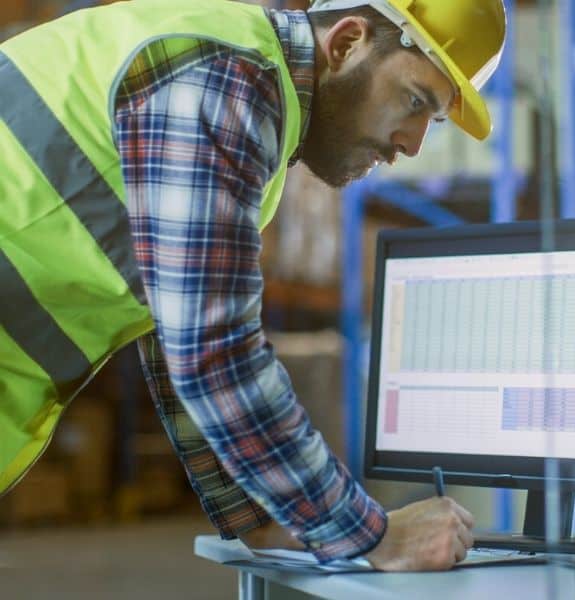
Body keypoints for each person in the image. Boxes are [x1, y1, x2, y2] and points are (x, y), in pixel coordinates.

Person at [0, 0, 505, 571]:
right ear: (345, 43)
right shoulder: (222, 78)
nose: (411, 145)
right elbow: (211, 353)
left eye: (430, 119)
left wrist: (260, 518)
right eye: (415, 101)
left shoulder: (237, 85)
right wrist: (370, 534)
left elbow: (175, 332)